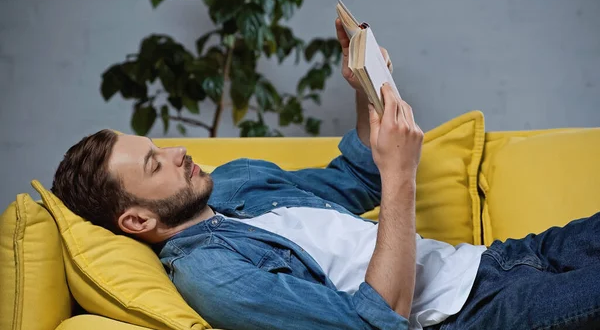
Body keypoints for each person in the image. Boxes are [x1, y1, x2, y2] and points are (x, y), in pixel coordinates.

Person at [50, 19, 600, 330]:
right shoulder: (215, 277)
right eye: (154, 163)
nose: (177, 153)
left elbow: (354, 177)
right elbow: (373, 325)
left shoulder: (234, 183)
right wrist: (401, 177)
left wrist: (364, 86)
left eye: (159, 145)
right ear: (136, 218)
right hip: (475, 314)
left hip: (497, 260)